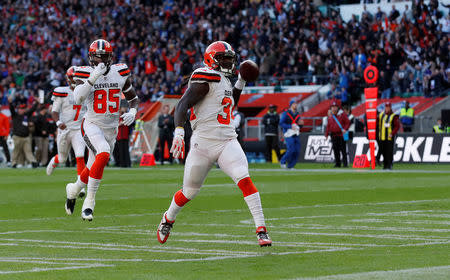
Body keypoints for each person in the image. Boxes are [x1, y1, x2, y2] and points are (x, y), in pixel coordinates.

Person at [156, 41, 272, 247]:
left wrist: (241, 82)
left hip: (227, 139)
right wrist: (179, 132)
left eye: (230, 58)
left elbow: (230, 101)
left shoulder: (225, 80)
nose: (228, 62)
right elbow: (182, 104)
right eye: (224, 58)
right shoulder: (204, 76)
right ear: (212, 59)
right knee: (189, 191)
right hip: (203, 143)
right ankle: (168, 217)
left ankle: (261, 230)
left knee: (244, 178)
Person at [64, 39, 139, 221]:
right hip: (91, 124)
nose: (101, 62)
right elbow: (78, 98)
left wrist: (133, 111)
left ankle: (73, 190)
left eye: (104, 58)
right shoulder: (84, 72)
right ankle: (89, 203)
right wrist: (93, 77)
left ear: (111, 58)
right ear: (90, 59)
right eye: (97, 58)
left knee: (92, 167)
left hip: (111, 129)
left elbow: (133, 97)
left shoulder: (120, 72)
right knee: (103, 153)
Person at [47, 66, 87, 185]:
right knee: (63, 158)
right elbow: (54, 111)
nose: (74, 80)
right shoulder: (62, 92)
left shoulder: (87, 92)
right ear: (68, 78)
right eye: (72, 77)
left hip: (78, 130)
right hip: (65, 129)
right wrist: (58, 122)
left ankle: (80, 184)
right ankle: (54, 161)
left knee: (80, 155)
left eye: (76, 77)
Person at [8, 96, 38, 168]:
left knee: (28, 151)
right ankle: (13, 163)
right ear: (18, 109)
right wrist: (10, 102)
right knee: (16, 151)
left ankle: (33, 162)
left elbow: (32, 109)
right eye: (20, 109)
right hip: (17, 136)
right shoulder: (15, 115)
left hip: (26, 137)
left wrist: (37, 102)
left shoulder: (26, 115)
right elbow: (11, 109)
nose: (22, 110)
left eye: (23, 108)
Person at [279, 100, 303, 169]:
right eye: (294, 104)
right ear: (291, 105)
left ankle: (291, 165)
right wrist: (290, 126)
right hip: (288, 133)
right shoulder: (286, 113)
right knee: (291, 149)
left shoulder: (297, 114)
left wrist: (301, 124)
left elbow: (298, 125)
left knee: (297, 150)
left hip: (295, 133)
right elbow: (281, 123)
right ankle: (283, 161)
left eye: (296, 104)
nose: (295, 105)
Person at [325, 101, 350, 168]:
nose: (333, 109)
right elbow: (328, 126)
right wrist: (326, 134)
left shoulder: (342, 115)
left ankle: (345, 164)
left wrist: (345, 129)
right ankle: (337, 163)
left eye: (335, 107)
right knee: (336, 150)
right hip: (333, 135)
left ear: (337, 108)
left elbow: (348, 122)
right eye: (332, 107)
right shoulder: (330, 117)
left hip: (341, 135)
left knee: (343, 150)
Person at [377, 102, 400, 170]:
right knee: (383, 151)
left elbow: (397, 126)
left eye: (388, 107)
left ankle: (390, 165)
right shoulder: (381, 115)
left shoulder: (393, 116)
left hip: (389, 137)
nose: (387, 108)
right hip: (382, 136)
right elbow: (378, 123)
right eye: (386, 107)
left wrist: (392, 133)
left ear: (390, 108)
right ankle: (385, 165)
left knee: (389, 151)